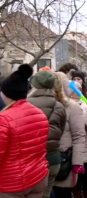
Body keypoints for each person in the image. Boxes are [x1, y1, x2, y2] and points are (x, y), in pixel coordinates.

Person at [0, 64, 49, 197]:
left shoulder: (4, 119)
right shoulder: (39, 114)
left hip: (11, 183)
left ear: (7, 93)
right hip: (37, 176)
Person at [27, 70, 66, 198]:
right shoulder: (59, 106)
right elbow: (61, 130)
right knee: (47, 193)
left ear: (34, 84)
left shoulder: (25, 104)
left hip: (31, 160)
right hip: (53, 159)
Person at [53, 72, 86, 198]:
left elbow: (79, 136)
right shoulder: (43, 105)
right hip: (45, 162)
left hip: (64, 161)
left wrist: (77, 162)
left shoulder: (72, 107)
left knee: (62, 194)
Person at [71, 81, 87, 198]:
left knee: (86, 175)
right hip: (73, 145)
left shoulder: (86, 105)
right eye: (75, 89)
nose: (78, 91)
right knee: (75, 177)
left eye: (79, 88)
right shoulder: (67, 105)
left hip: (86, 145)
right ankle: (77, 194)